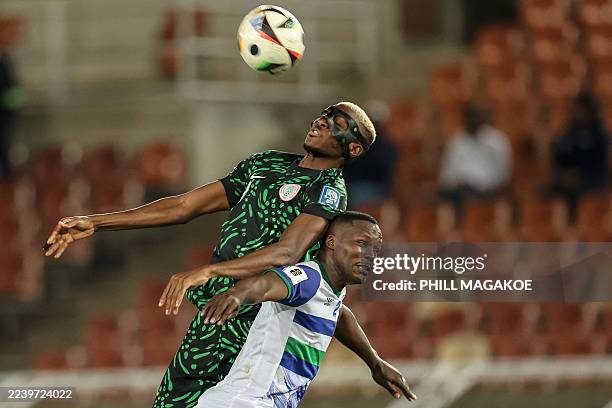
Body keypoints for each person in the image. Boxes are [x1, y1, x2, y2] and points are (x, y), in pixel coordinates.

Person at [44, 102, 379, 407]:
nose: (321, 122)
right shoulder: (266, 163)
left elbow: (288, 253)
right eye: (324, 114)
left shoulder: (329, 191)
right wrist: (97, 222)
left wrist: (209, 271)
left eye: (336, 122)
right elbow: (186, 205)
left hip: (257, 325)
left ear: (353, 147)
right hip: (212, 316)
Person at [196, 211, 417, 407]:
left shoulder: (331, 291)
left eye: (376, 249)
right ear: (331, 242)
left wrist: (375, 362)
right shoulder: (308, 278)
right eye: (362, 243)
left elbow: (338, 313)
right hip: (244, 402)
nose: (371, 255)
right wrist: (237, 295)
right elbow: (266, 284)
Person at [439, 103, 511, 210]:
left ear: (483, 117)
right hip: (457, 190)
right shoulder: (456, 141)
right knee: (430, 200)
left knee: (469, 200)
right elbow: (446, 173)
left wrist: (486, 187)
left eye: (475, 116)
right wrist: (455, 183)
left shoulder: (496, 141)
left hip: (484, 191)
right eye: (469, 117)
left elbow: (503, 174)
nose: (472, 120)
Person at [549, 92, 609, 216]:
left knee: (576, 194)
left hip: (591, 180)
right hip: (567, 180)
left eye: (579, 109)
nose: (575, 112)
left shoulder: (599, 134)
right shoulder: (569, 131)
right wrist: (564, 175)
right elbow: (559, 155)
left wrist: (581, 175)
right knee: (546, 193)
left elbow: (600, 162)